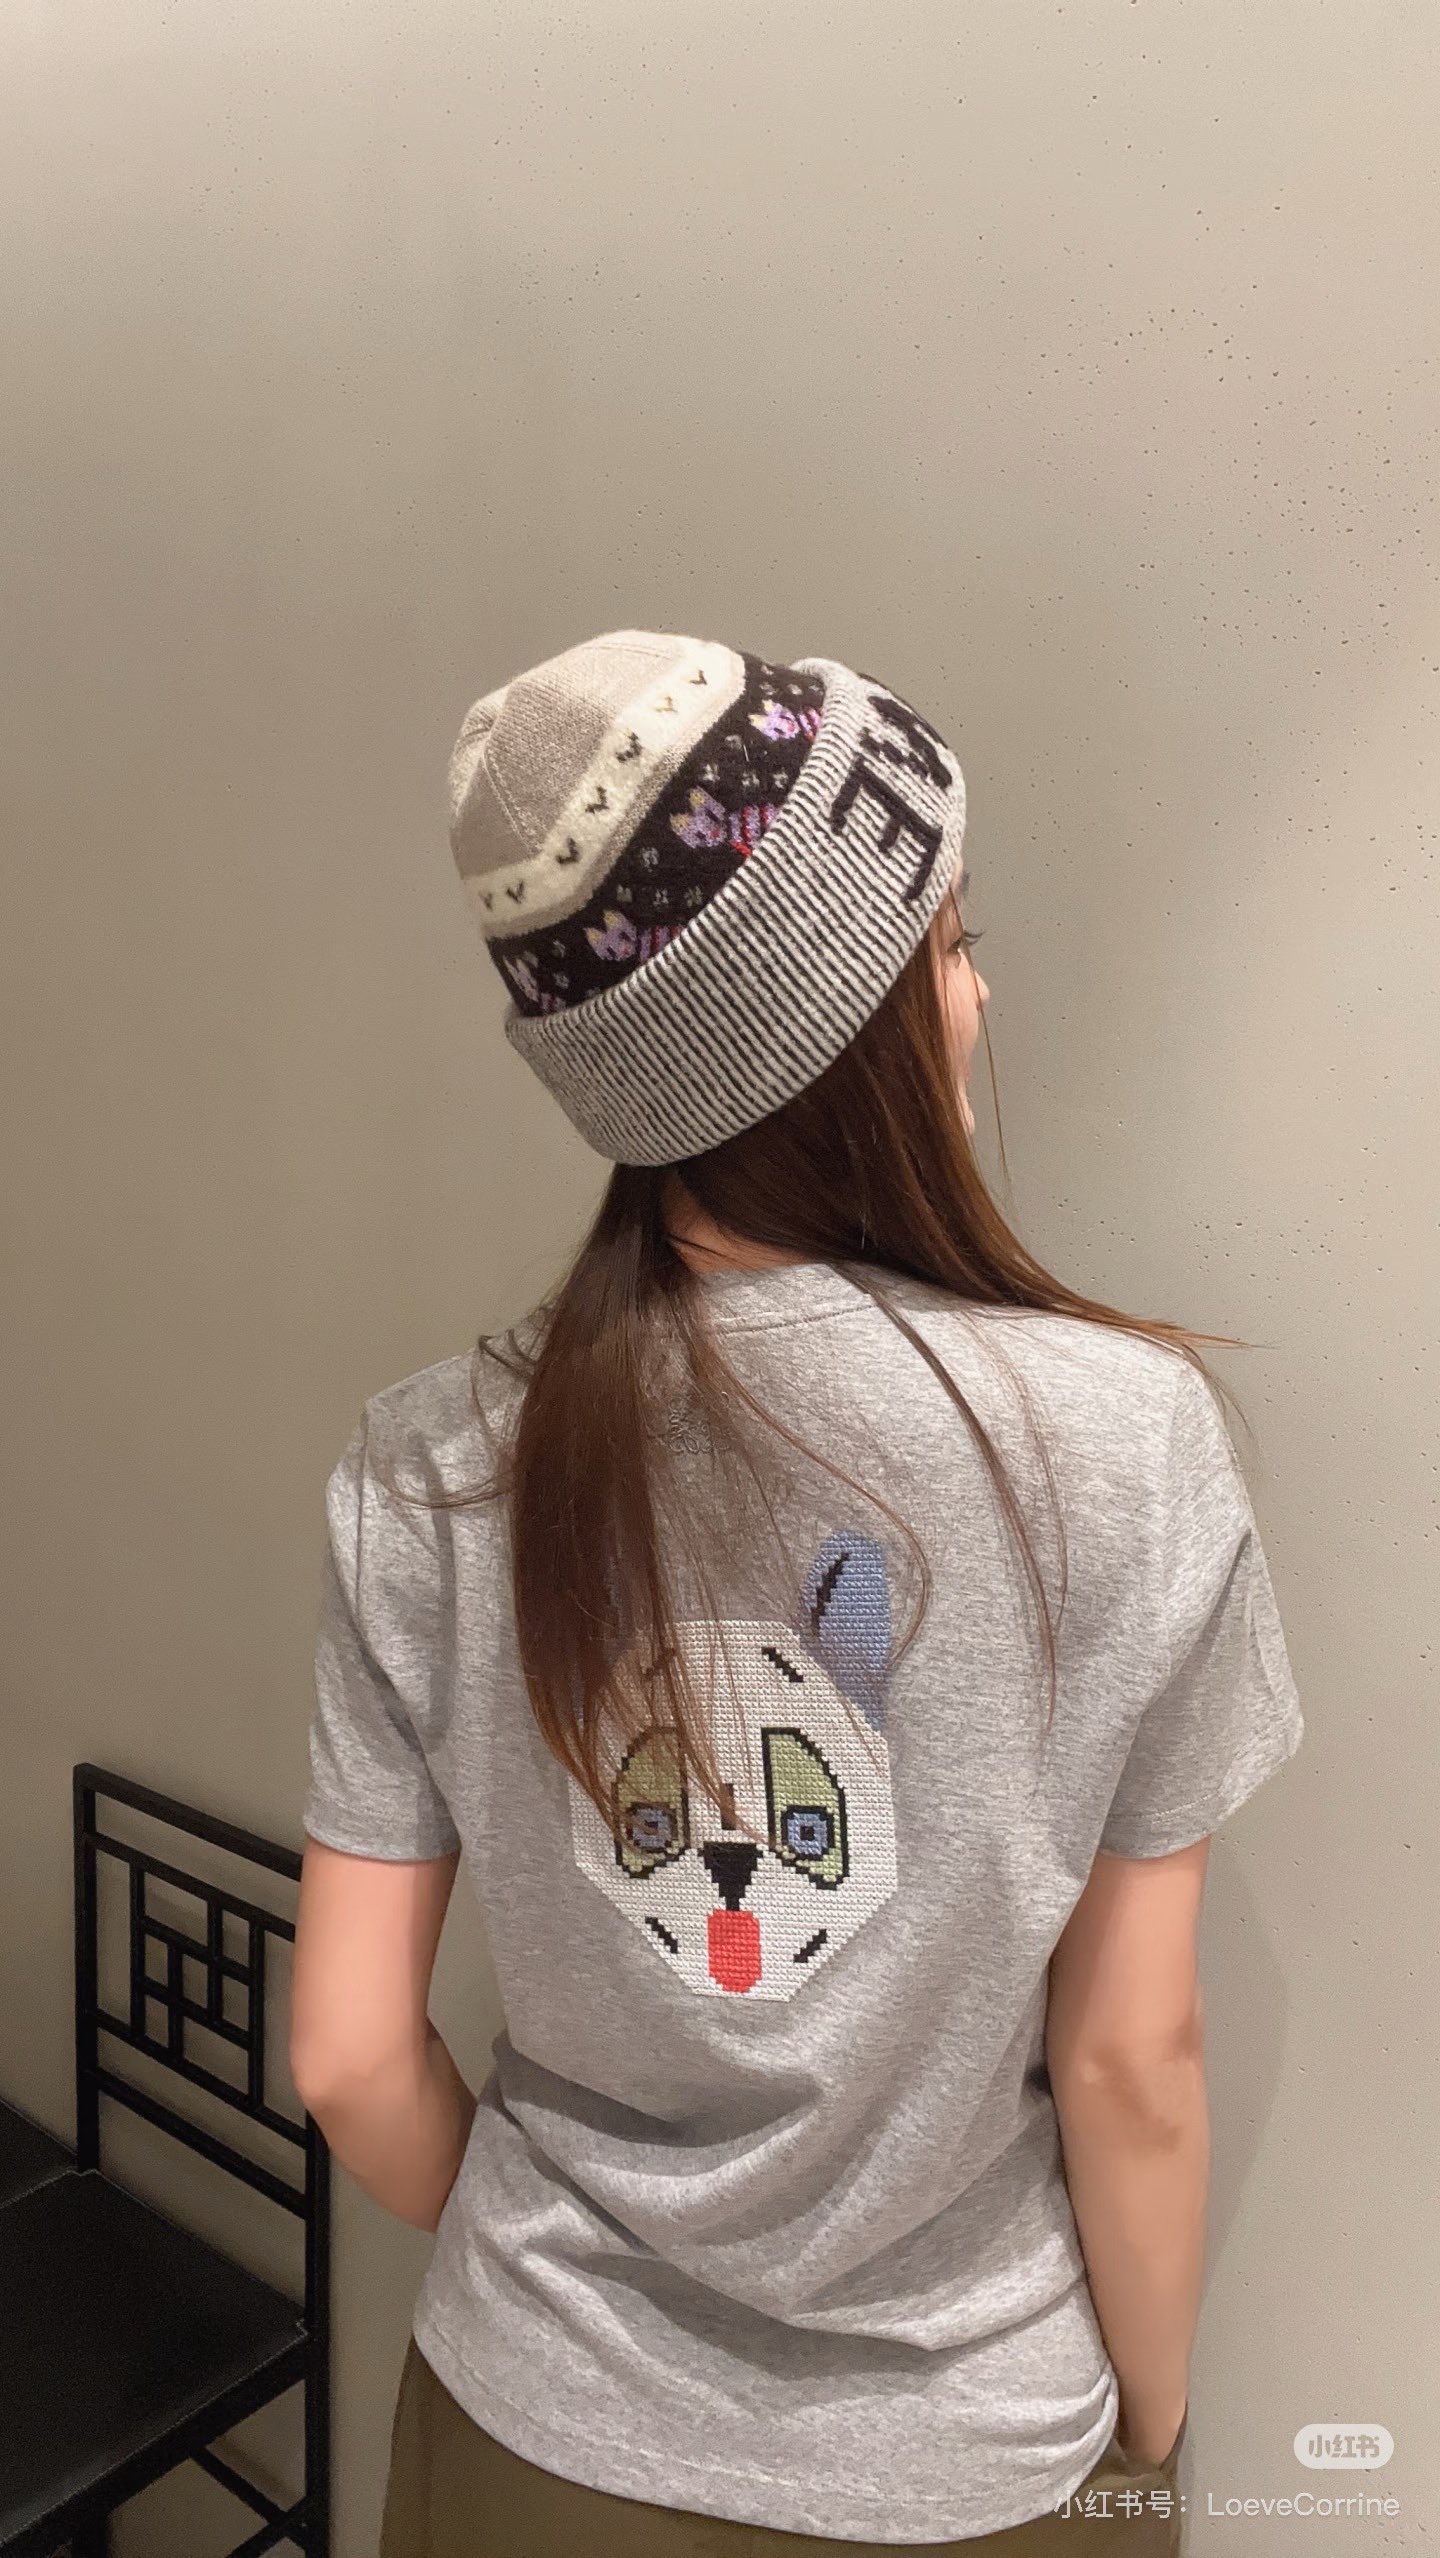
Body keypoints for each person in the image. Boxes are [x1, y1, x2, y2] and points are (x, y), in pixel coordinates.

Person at [291, 630, 1304, 2554]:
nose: (981, 995)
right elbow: (1131, 2059)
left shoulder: (422, 1466)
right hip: (973, 2461)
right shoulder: (1127, 1439)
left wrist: (564, 2290)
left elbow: (348, 2058)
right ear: (840, 1020)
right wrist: (1153, 2436)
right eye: (951, 946)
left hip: (531, 2441)